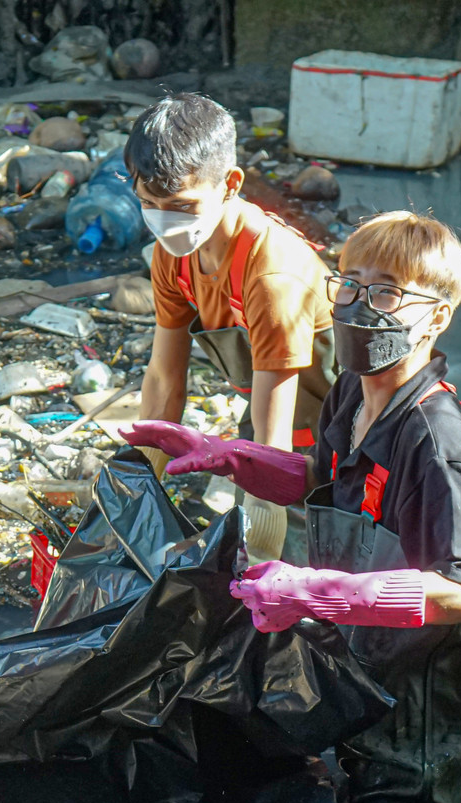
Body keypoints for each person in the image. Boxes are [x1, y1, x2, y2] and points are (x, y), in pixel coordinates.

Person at [123, 211, 461, 803]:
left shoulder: (434, 436)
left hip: (422, 707)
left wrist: (317, 590)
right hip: (367, 668)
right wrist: (230, 453)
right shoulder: (353, 393)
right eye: (351, 283)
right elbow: (322, 476)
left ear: (438, 316)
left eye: (388, 290)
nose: (359, 305)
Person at [125, 92, 337, 563]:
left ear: (230, 184)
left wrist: (263, 543)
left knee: (302, 575)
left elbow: (273, 441)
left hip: (336, 431)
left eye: (181, 204)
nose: (164, 220)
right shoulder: (174, 256)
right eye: (149, 203)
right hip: (266, 405)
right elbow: (163, 378)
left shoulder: (271, 275)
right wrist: (140, 480)